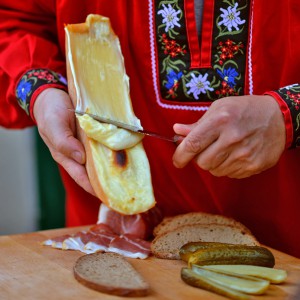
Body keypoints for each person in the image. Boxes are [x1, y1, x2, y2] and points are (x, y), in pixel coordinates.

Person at [0, 1, 299, 258]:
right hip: (112, 243)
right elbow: (13, 20)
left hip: (289, 243)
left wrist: (288, 114)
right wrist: (40, 92)